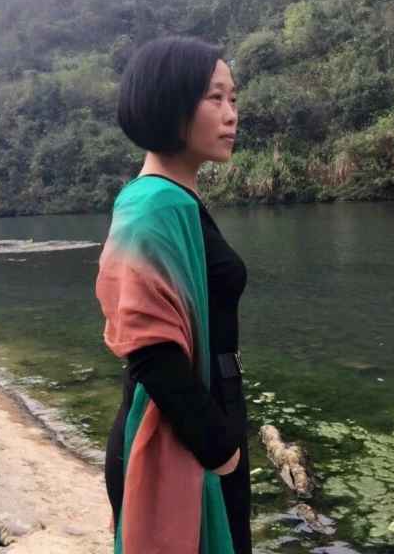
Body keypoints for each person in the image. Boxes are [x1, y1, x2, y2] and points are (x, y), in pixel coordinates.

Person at [95, 36, 251, 554]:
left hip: (206, 422)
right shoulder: (153, 207)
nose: (231, 114)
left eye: (233, 98)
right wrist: (218, 447)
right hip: (186, 432)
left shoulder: (178, 198)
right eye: (215, 98)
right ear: (171, 102)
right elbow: (148, 348)